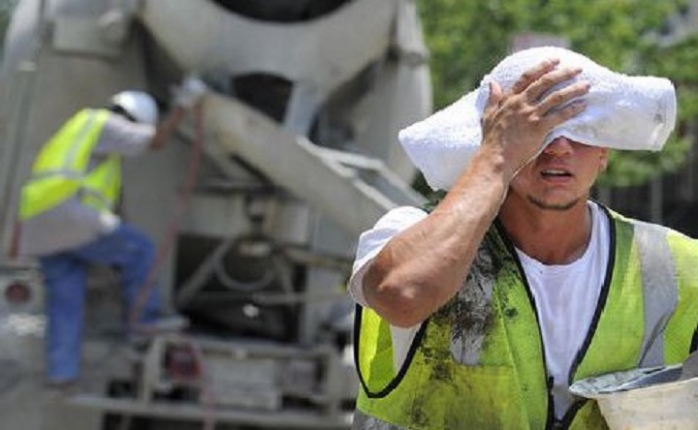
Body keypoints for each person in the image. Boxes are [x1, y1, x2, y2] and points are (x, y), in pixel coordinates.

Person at [349, 46, 698, 429]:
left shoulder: (677, 263)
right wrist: (496, 157)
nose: (560, 147)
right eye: (537, 129)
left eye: (581, 130)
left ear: (604, 153)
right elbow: (403, 295)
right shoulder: (407, 232)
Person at [17, 78, 207, 387]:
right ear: (132, 119)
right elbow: (156, 141)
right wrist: (184, 106)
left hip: (38, 224)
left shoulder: (81, 129)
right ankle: (143, 324)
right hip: (68, 215)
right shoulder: (104, 122)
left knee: (66, 297)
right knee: (141, 249)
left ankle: (61, 373)